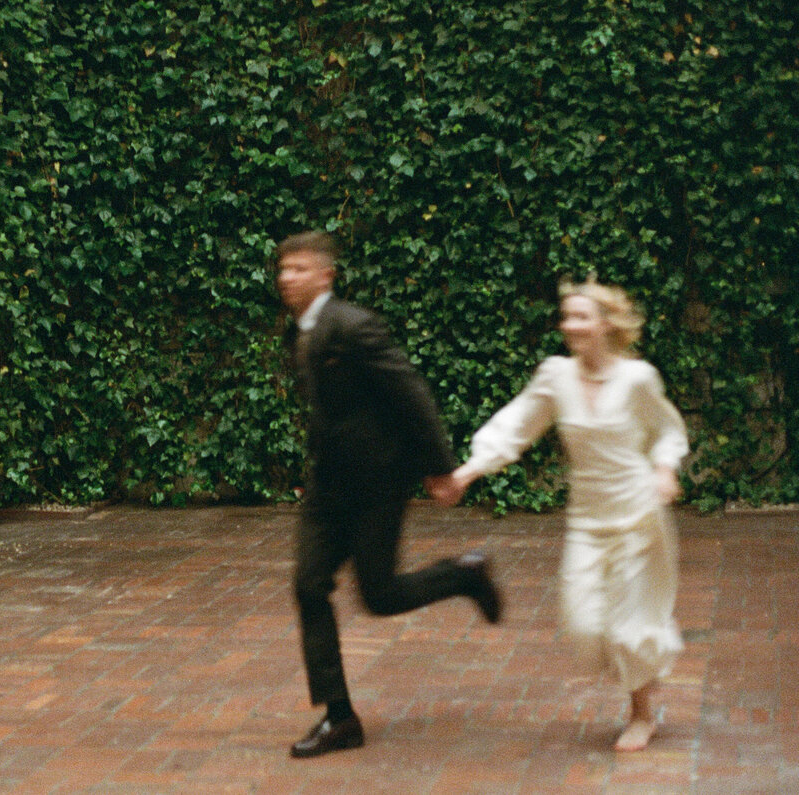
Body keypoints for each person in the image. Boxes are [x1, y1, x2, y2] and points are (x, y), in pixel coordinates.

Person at [275, 230, 502, 759]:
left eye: (300, 268)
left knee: (379, 596)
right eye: (284, 270)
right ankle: (339, 717)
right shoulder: (299, 333)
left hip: (375, 484)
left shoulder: (353, 326)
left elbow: (409, 392)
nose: (288, 278)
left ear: (326, 274)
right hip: (326, 488)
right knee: (309, 586)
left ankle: (463, 575)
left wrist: (439, 468)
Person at [443, 275, 688, 752]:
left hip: (638, 516)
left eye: (581, 316)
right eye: (567, 316)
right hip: (587, 522)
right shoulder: (556, 375)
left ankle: (641, 713)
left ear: (606, 324)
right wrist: (467, 473)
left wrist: (664, 469)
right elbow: (516, 425)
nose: (570, 325)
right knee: (583, 624)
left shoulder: (637, 379)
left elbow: (668, 429)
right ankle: (646, 658)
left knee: (626, 626)